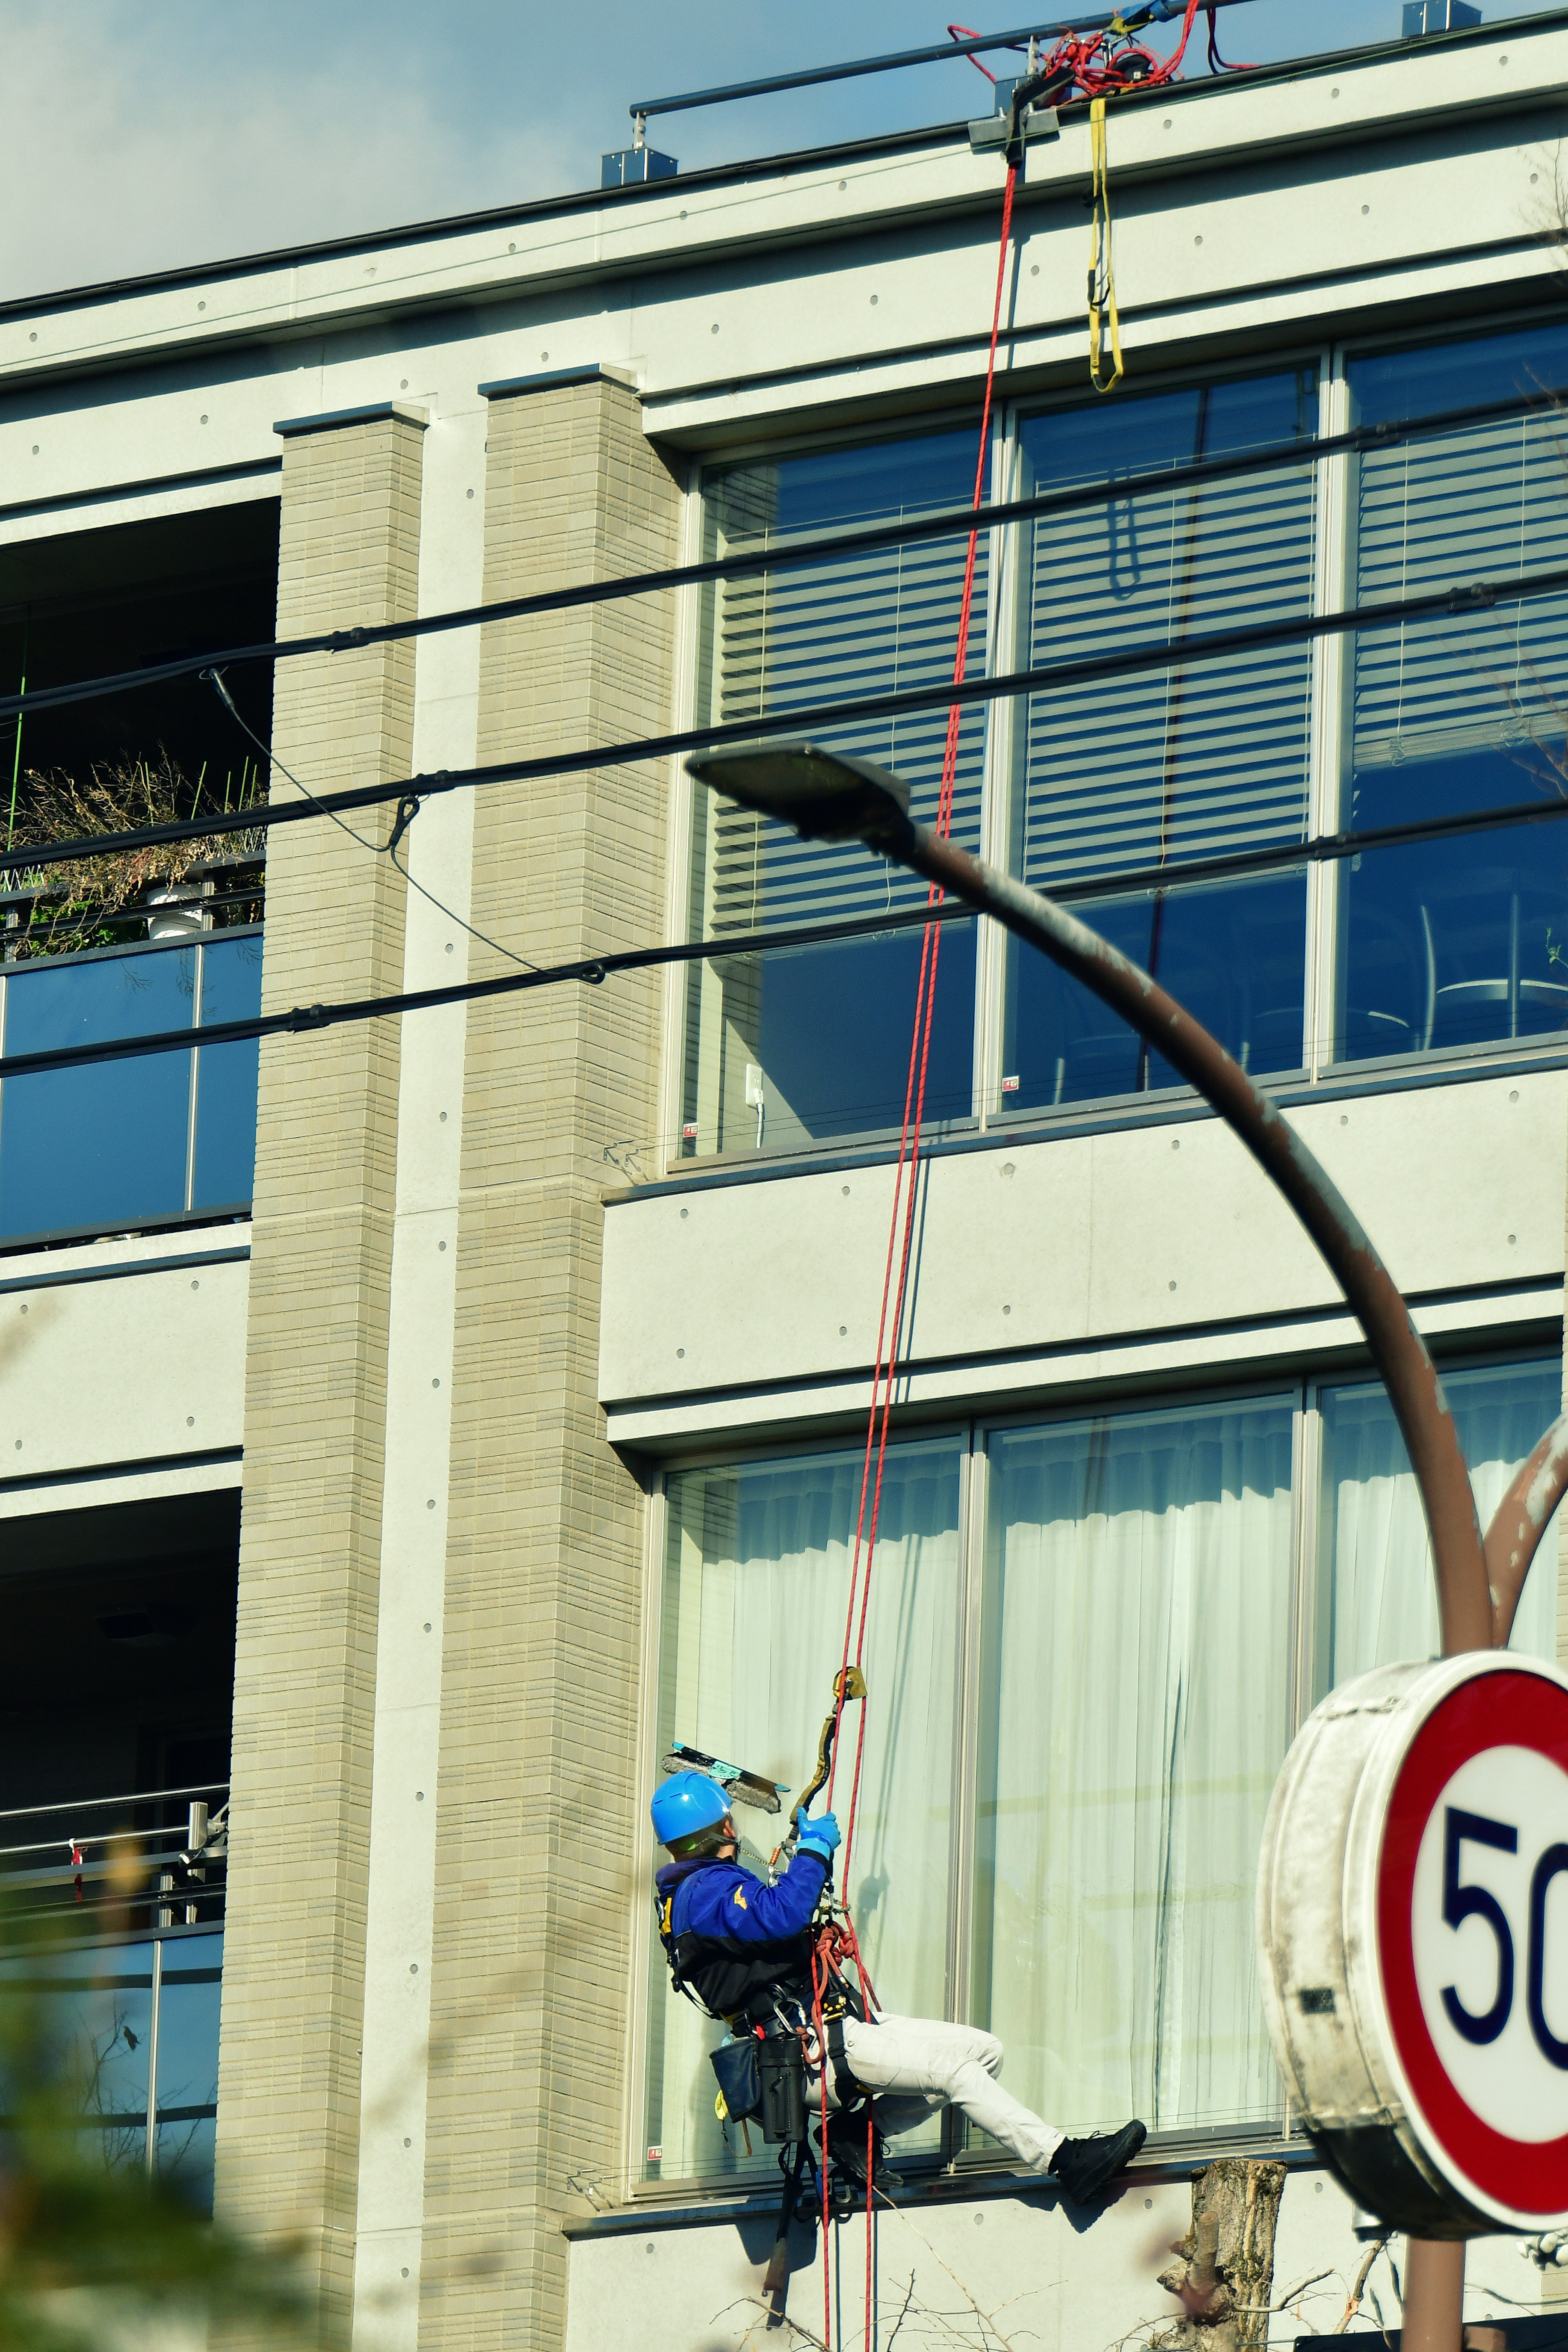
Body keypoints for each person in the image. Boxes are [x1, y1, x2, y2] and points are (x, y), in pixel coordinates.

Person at [652, 1769, 1146, 2201]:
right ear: (723, 1828)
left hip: (827, 2026)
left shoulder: (700, 1894)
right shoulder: (706, 1891)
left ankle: (855, 2133)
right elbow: (781, 1914)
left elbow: (767, 1926)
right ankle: (1064, 2161)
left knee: (983, 2051)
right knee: (956, 2072)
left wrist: (799, 1868)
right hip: (810, 2045)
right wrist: (813, 1853)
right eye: (731, 1822)